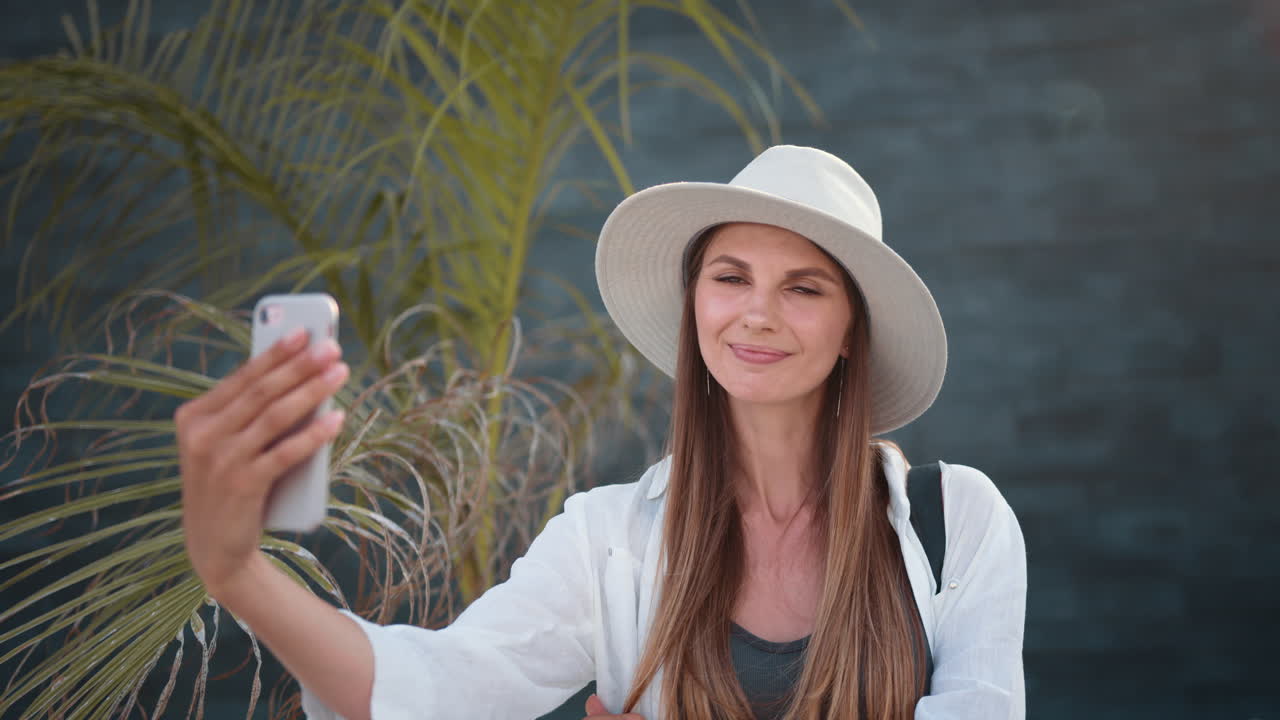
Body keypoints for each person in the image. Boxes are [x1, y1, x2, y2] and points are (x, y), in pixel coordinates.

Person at [178, 145, 1027, 720]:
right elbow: (423, 693)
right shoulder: (604, 540)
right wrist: (234, 571)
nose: (758, 313)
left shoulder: (957, 523)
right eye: (731, 277)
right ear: (696, 304)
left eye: (805, 288)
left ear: (851, 332)